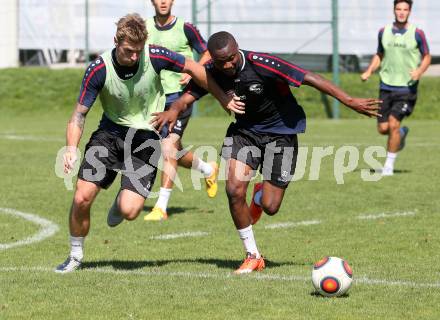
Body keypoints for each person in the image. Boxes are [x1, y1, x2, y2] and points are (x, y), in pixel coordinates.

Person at [151, 31, 380, 274]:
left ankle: (260, 196)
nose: (227, 65)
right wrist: (173, 110)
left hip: (281, 133)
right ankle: (253, 255)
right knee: (234, 190)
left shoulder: (263, 63)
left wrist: (349, 100)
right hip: (245, 133)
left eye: (230, 58)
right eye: (221, 62)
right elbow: (187, 97)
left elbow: (309, 77)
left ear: (237, 48)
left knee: (271, 206)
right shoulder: (212, 70)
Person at [55, 14, 234, 273]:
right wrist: (71, 148)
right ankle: (75, 255)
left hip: (146, 140)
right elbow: (78, 115)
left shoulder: (156, 55)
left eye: (139, 51)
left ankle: (120, 201)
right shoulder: (98, 68)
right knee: (82, 197)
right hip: (109, 135)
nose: (135, 57)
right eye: (129, 51)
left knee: (130, 211)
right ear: (116, 41)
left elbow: (195, 68)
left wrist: (222, 98)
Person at [143, 0, 218, 222]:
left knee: (168, 149)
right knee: (173, 149)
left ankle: (161, 207)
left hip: (180, 98)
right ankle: (207, 169)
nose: (163, 1)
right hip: (155, 100)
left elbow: (207, 52)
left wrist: (193, 71)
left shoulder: (186, 27)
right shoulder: (145, 27)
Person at [361, 0, 431, 176]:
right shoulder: (383, 32)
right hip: (386, 86)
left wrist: (419, 71)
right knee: (383, 128)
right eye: (398, 9)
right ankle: (401, 133)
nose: (401, 12)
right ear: (394, 10)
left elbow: (427, 56)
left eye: (405, 9)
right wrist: (369, 70)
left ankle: (388, 167)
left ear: (409, 11)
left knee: (392, 124)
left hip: (406, 89)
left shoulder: (417, 33)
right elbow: (379, 54)